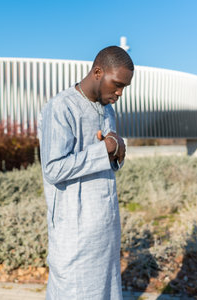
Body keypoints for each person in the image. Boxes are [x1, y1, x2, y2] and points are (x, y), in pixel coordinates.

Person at [38, 46, 134, 299]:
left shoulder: (107, 108)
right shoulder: (61, 107)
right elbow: (53, 169)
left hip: (104, 227)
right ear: (98, 72)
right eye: (117, 84)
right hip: (74, 232)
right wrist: (105, 149)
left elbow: (106, 158)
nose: (120, 93)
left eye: (125, 87)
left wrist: (117, 152)